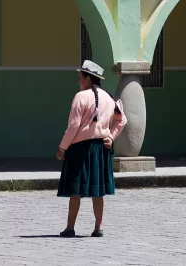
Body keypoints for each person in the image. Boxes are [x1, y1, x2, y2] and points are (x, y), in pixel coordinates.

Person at [56, 60, 127, 238]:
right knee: (98, 190)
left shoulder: (80, 97)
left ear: (88, 78)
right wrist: (111, 136)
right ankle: (98, 227)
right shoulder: (109, 98)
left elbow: (73, 126)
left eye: (80, 77)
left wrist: (62, 147)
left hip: (80, 149)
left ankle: (70, 228)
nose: (78, 81)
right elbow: (122, 120)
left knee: (75, 190)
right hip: (101, 149)